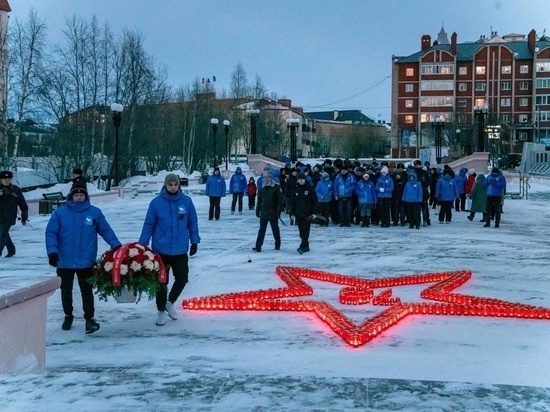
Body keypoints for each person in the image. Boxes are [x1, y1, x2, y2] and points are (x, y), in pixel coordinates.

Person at [45, 180, 121, 334]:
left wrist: (116, 245)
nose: (79, 197)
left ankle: (89, 319)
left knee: (86, 290)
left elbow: (105, 230)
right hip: (64, 260)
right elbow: (51, 233)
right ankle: (68, 315)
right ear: (71, 196)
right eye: (76, 195)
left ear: (85, 197)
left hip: (86, 260)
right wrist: (52, 251)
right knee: (65, 290)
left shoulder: (94, 213)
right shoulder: (60, 213)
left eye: (81, 195)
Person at [139, 173, 200, 326]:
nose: (173, 187)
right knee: (161, 282)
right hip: (161, 251)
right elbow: (149, 225)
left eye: (175, 184)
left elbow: (192, 222)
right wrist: (142, 246)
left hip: (180, 250)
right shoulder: (156, 203)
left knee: (182, 278)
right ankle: (160, 311)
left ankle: (170, 302)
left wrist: (194, 241)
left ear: (179, 185)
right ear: (165, 186)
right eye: (170, 185)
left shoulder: (186, 201)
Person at [0, 170, 28, 258]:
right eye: (5, 179)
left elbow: (23, 204)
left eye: (9, 179)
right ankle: (11, 250)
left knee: (2, 234)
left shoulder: (15, 190)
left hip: (9, 216)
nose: (7, 180)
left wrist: (24, 215)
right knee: (3, 233)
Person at [253, 169, 282, 252]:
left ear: (271, 178)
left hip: (273, 212)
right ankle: (258, 246)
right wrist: (258, 210)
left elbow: (279, 201)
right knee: (262, 229)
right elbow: (259, 201)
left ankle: (277, 244)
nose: (266, 179)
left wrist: (278, 212)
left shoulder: (276, 187)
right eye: (264, 177)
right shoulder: (262, 188)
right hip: (264, 212)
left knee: (275, 229)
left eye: (267, 177)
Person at [288, 172, 317, 254]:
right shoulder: (295, 189)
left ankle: (302, 246)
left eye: (302, 179)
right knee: (301, 232)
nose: (300, 181)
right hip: (298, 213)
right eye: (299, 179)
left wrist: (314, 212)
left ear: (305, 179)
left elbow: (315, 201)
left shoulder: (310, 188)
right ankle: (306, 246)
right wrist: (292, 213)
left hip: (308, 214)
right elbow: (292, 202)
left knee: (306, 231)